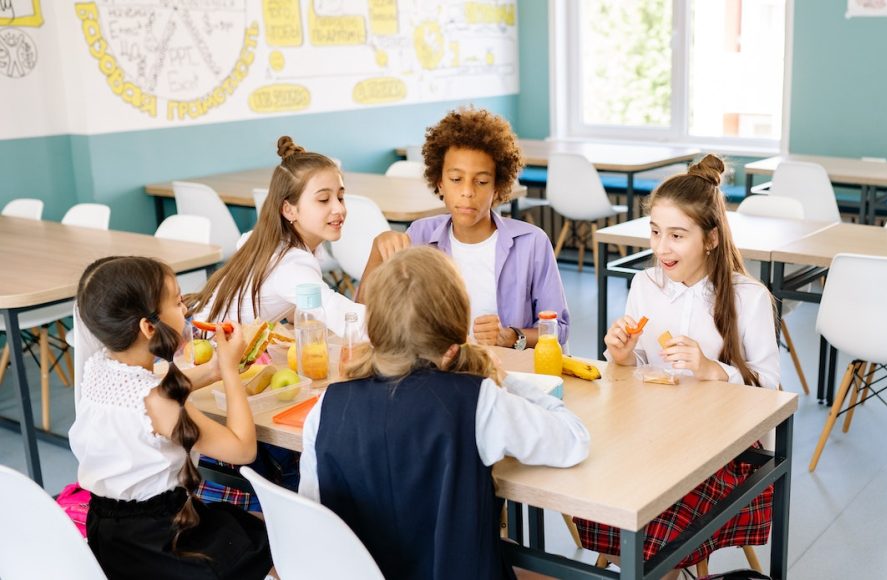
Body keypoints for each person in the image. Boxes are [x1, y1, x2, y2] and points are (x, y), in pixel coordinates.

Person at [300, 246, 590, 579]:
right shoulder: (477, 400)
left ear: (374, 328)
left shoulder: (327, 406)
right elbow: (574, 440)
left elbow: (315, 520)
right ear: (453, 342)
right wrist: (508, 380)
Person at [579, 154, 780, 575]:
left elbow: (772, 391)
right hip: (652, 435)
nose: (660, 248)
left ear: (710, 239)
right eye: (654, 232)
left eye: (676, 235)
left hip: (723, 448)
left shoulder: (750, 298)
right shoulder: (645, 284)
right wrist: (622, 355)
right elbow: (629, 375)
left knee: (658, 520)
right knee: (596, 481)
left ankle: (651, 567)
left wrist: (713, 370)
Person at [69, 256, 272, 579]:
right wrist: (231, 373)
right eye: (178, 302)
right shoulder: (161, 403)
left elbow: (147, 392)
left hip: (110, 537)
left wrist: (214, 369)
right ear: (149, 327)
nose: (186, 310)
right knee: (263, 537)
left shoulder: (97, 368)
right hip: (165, 544)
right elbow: (243, 449)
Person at [360, 107, 570, 349]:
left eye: (481, 182)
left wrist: (512, 336)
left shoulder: (531, 242)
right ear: (439, 183)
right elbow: (367, 319)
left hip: (505, 369)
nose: (467, 191)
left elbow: (559, 330)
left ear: (498, 188)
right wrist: (378, 250)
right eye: (456, 179)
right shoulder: (419, 236)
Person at [188, 135, 364, 338]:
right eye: (324, 199)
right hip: (207, 352)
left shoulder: (268, 241)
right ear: (289, 210)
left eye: (340, 197)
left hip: (198, 334)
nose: (339, 208)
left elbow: (294, 310)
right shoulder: (292, 264)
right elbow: (348, 320)